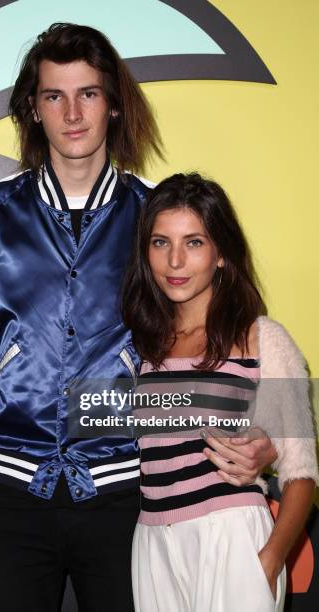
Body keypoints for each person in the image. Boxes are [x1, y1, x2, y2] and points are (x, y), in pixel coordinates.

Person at [0, 24, 277, 612]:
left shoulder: (157, 219)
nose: (73, 113)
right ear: (33, 108)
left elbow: (232, 334)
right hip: (9, 494)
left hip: (129, 494)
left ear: (115, 104)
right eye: (54, 96)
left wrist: (273, 437)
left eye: (89, 94)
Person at [122, 172, 319, 612]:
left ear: (221, 254)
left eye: (194, 242)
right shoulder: (140, 348)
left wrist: (267, 562)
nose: (175, 261)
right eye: (160, 242)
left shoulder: (262, 338)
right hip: (153, 543)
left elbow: (301, 475)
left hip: (231, 538)